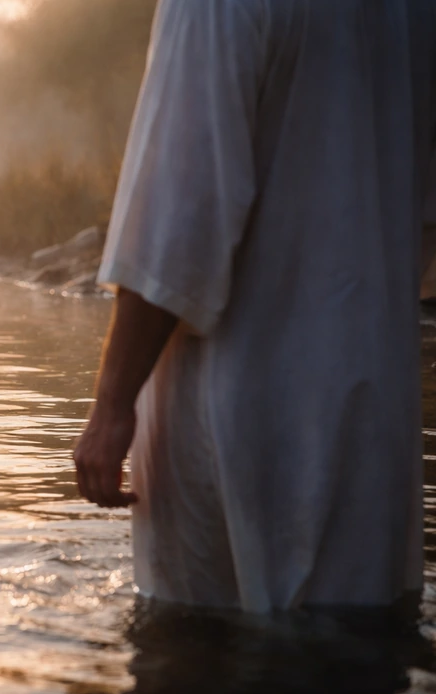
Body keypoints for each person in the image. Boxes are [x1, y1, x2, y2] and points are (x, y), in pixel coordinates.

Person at [73, 0, 436, 612]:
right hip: (376, 396)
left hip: (243, 411)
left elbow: (176, 218)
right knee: (357, 658)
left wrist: (111, 407)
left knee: (202, 662)